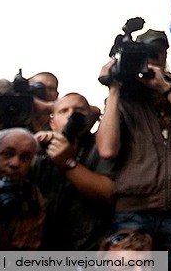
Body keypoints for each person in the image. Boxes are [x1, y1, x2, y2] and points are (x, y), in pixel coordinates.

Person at [96, 28, 171, 271]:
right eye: (146, 53)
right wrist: (114, 88)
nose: (152, 59)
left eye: (157, 53)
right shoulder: (124, 97)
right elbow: (107, 149)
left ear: (165, 56)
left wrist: (165, 87)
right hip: (133, 213)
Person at [33, 92, 116, 250]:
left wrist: (68, 163)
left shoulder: (102, 146)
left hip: (90, 249)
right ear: (52, 122)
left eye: (79, 110)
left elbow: (107, 194)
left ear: (89, 119)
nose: (71, 114)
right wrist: (32, 148)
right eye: (63, 111)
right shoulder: (40, 148)